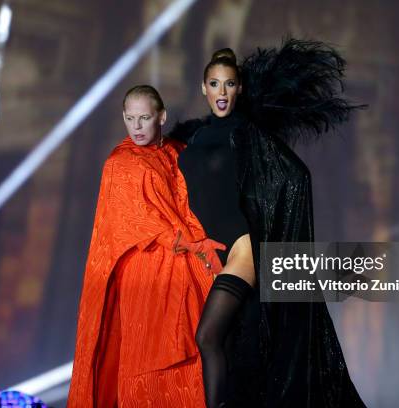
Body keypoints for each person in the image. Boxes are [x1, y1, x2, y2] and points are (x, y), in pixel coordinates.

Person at [170, 40, 366, 407]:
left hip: (241, 257)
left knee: (207, 338)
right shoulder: (193, 137)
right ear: (204, 87)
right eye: (215, 84)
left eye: (229, 84)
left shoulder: (245, 133)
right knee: (229, 351)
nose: (222, 92)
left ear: (239, 88)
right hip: (207, 262)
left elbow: (296, 175)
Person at [67, 85, 224, 407]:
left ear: (161, 116)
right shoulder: (120, 163)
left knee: (193, 357)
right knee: (149, 359)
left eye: (144, 118)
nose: (136, 127)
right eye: (130, 119)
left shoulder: (177, 151)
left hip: (183, 268)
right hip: (145, 274)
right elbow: (139, 222)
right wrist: (195, 245)